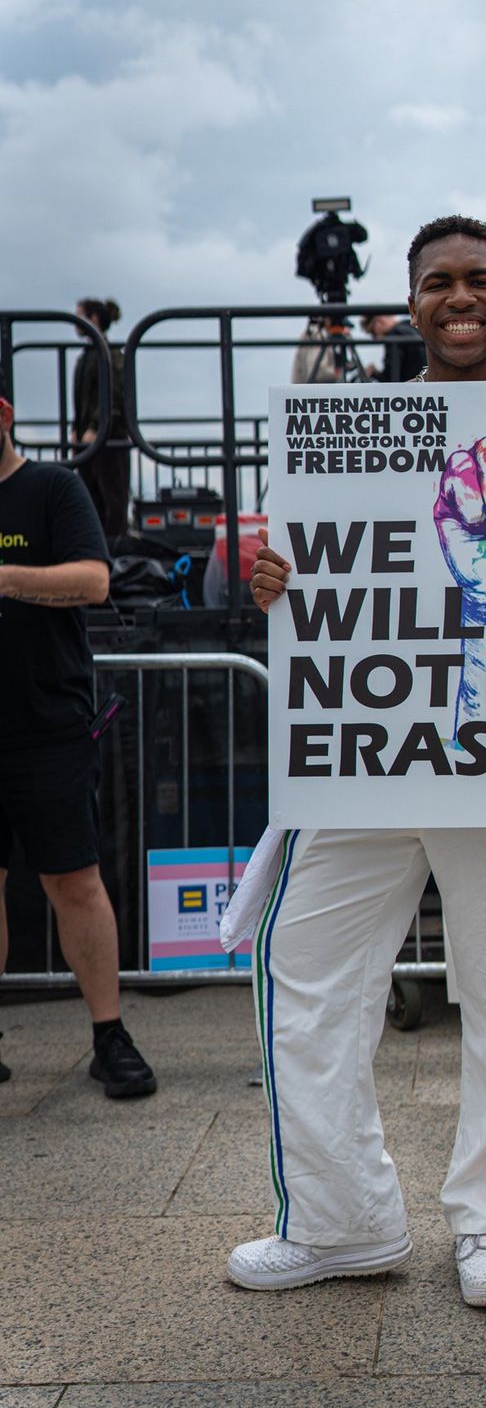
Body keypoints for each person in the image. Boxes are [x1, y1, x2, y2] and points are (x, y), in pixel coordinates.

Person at [227, 216, 486, 1307]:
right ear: (409, 301)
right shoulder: (350, 427)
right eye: (438, 283)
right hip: (365, 756)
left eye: (481, 280)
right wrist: (277, 583)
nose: (461, 298)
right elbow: (313, 572)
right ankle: (337, 1220)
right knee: (304, 979)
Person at [0, 389, 156, 1097]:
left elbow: (94, 581)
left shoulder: (52, 489)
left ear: (3, 413)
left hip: (50, 725)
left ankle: (109, 1035)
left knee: (75, 881)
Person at [72, 297, 131, 539]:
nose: (75, 322)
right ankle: (95, 553)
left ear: (93, 319)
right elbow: (83, 398)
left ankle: (115, 559)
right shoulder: (87, 355)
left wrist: (96, 426)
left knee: (112, 502)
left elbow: (115, 395)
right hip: (89, 440)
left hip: (108, 439)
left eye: (80, 315)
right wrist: (77, 428)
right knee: (90, 499)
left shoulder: (110, 353)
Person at [359, 313, 427, 382]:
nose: (375, 337)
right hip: (424, 381)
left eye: (373, 332)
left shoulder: (394, 336)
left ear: (379, 321)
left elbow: (391, 379)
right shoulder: (409, 327)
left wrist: (374, 373)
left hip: (409, 388)